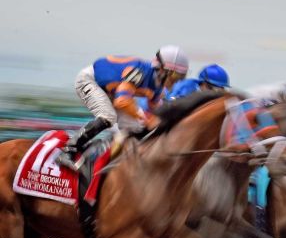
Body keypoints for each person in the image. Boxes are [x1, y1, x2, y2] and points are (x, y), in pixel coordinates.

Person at [57, 45, 188, 170]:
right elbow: (122, 101)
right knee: (108, 116)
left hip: (111, 91)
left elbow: (156, 110)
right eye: (176, 75)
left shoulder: (159, 85)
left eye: (181, 77)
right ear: (162, 69)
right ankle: (69, 150)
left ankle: (113, 160)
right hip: (90, 81)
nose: (177, 81)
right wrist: (142, 116)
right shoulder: (140, 72)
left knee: (137, 128)